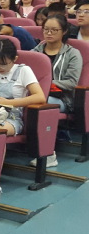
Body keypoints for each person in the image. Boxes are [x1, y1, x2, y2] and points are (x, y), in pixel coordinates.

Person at [33, 13, 82, 146]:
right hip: (36, 93)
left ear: (64, 31)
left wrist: (46, 84)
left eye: (54, 30)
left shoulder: (73, 54)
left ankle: (44, 145)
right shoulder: (35, 52)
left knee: (41, 102)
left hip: (62, 98)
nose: (49, 33)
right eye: (46, 29)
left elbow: (71, 82)